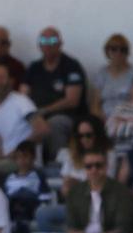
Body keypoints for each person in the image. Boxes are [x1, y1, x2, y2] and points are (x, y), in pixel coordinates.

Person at [39, 148, 133, 233]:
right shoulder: (76, 191)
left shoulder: (121, 192)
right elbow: (71, 225)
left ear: (106, 166)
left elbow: (122, 231)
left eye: (98, 165)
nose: (94, 170)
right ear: (84, 169)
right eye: (89, 166)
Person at [22, 27, 86, 156]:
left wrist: (45, 110)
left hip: (66, 116)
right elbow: (23, 95)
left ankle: (57, 163)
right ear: (39, 45)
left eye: (52, 40)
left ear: (60, 43)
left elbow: (72, 101)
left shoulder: (71, 66)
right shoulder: (34, 67)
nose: (48, 44)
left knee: (55, 124)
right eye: (44, 40)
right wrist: (31, 114)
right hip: (36, 115)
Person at [0, 63, 47, 163]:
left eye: (0, 78)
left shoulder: (21, 101)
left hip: (25, 163)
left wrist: (16, 152)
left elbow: (42, 129)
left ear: (11, 81)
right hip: (5, 164)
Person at [3, 141, 51, 233]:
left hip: (31, 210)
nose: (22, 161)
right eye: (19, 157)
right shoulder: (9, 178)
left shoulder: (38, 176)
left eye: (25, 157)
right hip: (13, 211)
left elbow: (45, 198)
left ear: (33, 158)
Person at [88, 33, 133, 121]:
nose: (118, 53)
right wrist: (102, 118)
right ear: (107, 51)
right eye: (114, 49)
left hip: (126, 118)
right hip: (103, 119)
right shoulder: (101, 73)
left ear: (127, 52)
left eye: (123, 50)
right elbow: (95, 105)